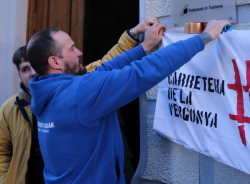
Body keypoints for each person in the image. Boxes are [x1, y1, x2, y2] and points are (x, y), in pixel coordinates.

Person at [26, 20, 229, 183]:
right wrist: (204, 37)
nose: (79, 52)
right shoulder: (79, 93)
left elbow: (103, 71)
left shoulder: (46, 92)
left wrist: (143, 47)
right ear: (55, 62)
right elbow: (142, 72)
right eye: (72, 49)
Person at [0, 18, 156, 184]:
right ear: (19, 75)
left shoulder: (77, 83)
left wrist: (134, 36)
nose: (32, 73)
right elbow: (2, 151)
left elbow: (108, 62)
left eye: (34, 67)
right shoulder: (11, 108)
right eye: (25, 69)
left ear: (51, 63)